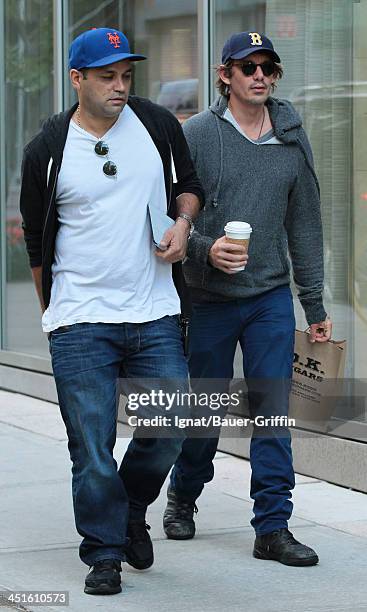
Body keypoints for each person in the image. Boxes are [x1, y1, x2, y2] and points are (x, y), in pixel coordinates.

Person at [20, 27, 203, 596]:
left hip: (154, 310)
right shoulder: (48, 149)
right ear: (78, 79)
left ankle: (129, 510)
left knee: (172, 425)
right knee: (91, 445)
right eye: (106, 77)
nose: (120, 87)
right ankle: (102, 553)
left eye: (126, 75)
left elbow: (189, 188)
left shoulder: (158, 126)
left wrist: (183, 224)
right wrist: (53, 315)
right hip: (80, 319)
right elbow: (35, 241)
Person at [163, 31, 332, 567]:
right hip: (209, 298)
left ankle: (273, 527)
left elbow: (304, 224)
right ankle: (183, 495)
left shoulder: (290, 137)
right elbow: (167, 217)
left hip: (269, 299)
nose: (259, 75)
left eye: (268, 67)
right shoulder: (198, 134)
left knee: (272, 412)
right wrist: (206, 250)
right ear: (225, 75)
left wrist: (316, 304)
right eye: (248, 67)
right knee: (206, 413)